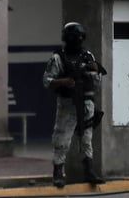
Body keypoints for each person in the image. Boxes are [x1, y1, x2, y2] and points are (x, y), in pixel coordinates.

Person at [43, 21, 107, 188]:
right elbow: (47, 81)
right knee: (62, 138)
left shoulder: (87, 56)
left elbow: (98, 79)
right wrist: (64, 81)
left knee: (86, 138)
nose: (75, 41)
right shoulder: (58, 57)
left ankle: (89, 171)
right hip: (68, 103)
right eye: (72, 38)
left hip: (86, 103)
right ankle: (58, 173)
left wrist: (92, 71)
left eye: (77, 38)